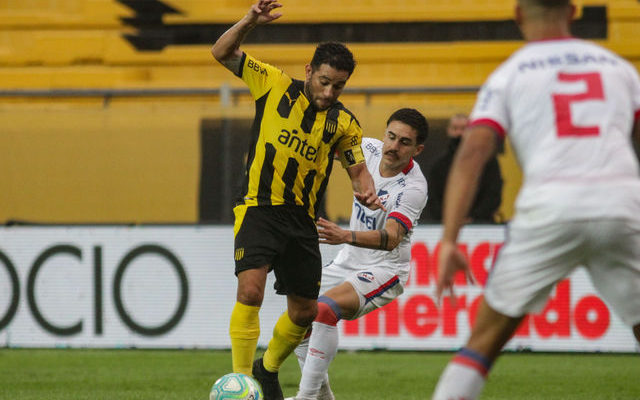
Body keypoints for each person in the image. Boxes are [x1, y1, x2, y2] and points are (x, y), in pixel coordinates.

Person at [432, 1, 640, 399]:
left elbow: (472, 156)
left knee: (485, 340)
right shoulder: (618, 67)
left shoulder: (508, 75)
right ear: (574, 11)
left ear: (517, 15)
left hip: (550, 206)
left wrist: (448, 240)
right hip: (621, 203)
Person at [211, 1, 384, 399]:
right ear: (309, 71)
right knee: (250, 291)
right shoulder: (272, 84)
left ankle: (266, 367)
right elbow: (221, 53)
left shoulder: (344, 124)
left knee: (304, 313)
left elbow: (357, 170)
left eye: (338, 85)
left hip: (303, 219)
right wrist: (250, 20)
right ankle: (243, 385)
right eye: (324, 81)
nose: (329, 91)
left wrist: (367, 189)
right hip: (259, 205)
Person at [285, 108, 429, 400]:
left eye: (404, 142)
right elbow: (320, 147)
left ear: (417, 149)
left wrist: (343, 236)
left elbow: (390, 239)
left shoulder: (413, 187)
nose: (393, 146)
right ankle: (322, 397)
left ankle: (307, 397)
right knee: (297, 314)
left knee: (324, 310)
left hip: (385, 269)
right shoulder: (369, 150)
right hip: (348, 260)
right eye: (391, 136)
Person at [425, 113, 503, 223]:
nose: (459, 133)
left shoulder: (489, 162)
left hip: (482, 226)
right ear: (449, 131)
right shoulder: (439, 166)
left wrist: (474, 218)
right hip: (444, 226)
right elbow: (433, 199)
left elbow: (493, 195)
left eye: (463, 129)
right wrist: (446, 219)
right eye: (455, 128)